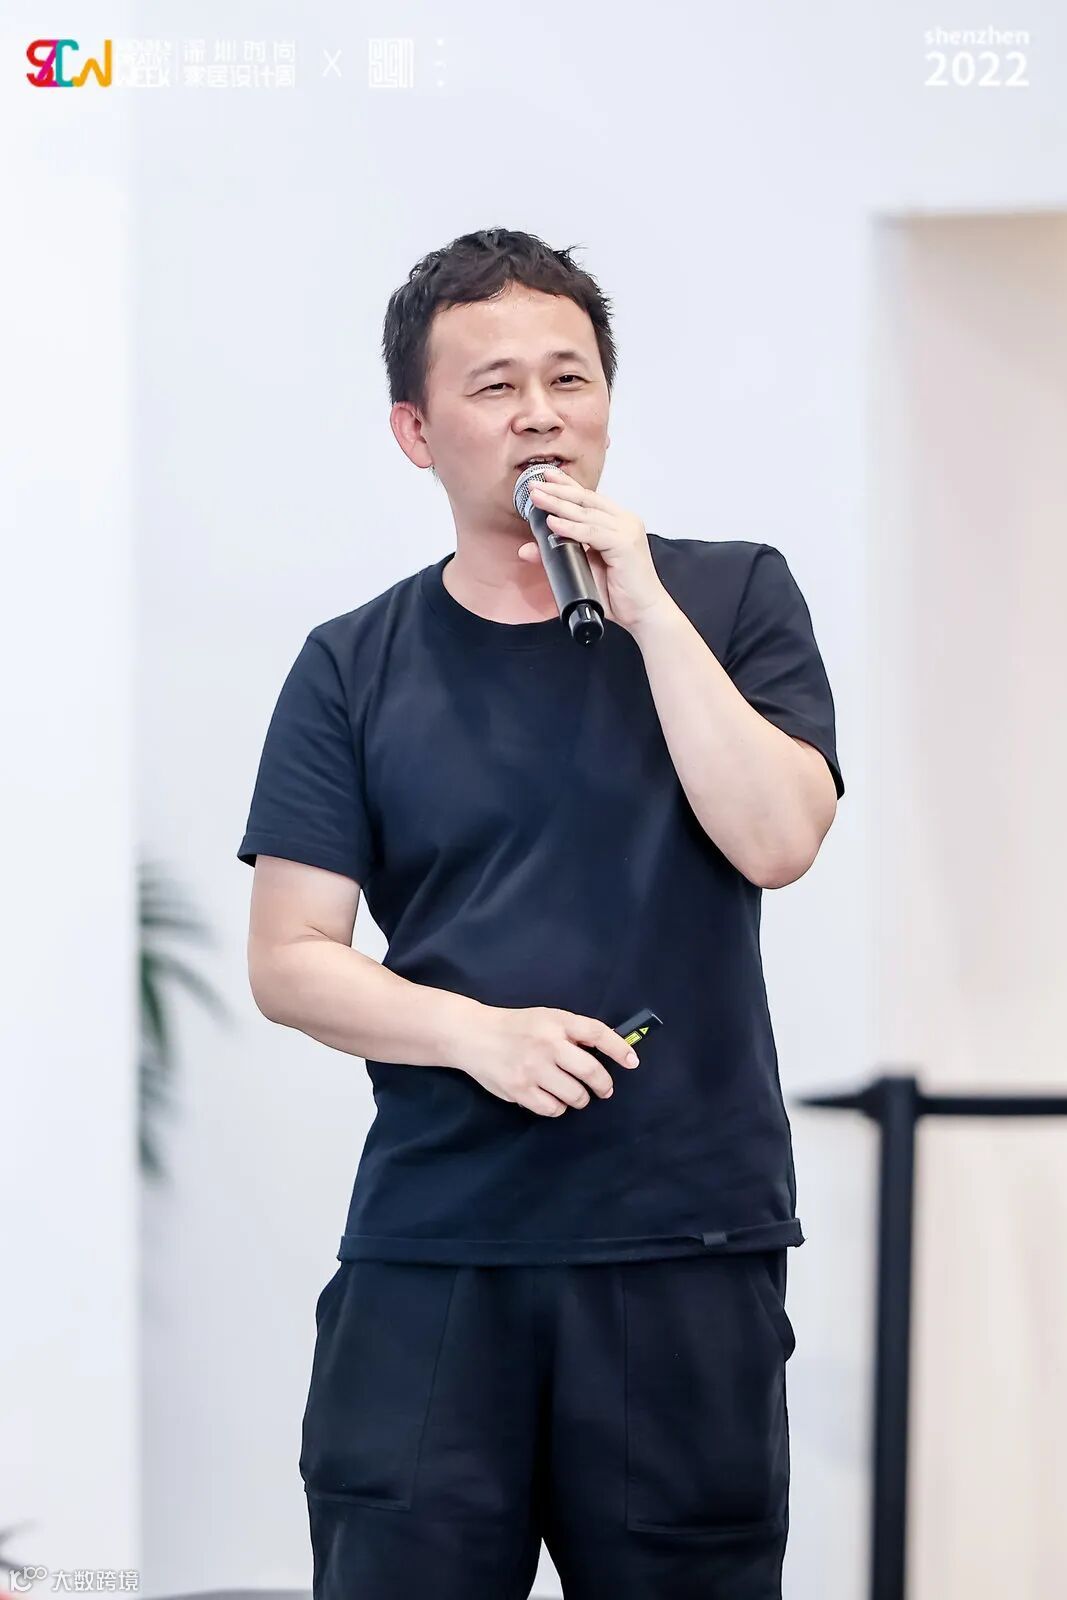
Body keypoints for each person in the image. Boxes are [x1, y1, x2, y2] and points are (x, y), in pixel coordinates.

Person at [237, 227, 844, 1599]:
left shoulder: (732, 596)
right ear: (416, 431)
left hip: (683, 1242)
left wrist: (648, 612)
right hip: (438, 1246)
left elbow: (778, 839)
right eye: (495, 385)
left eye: (570, 379)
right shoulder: (352, 664)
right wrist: (479, 1035)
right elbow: (290, 958)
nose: (540, 414)